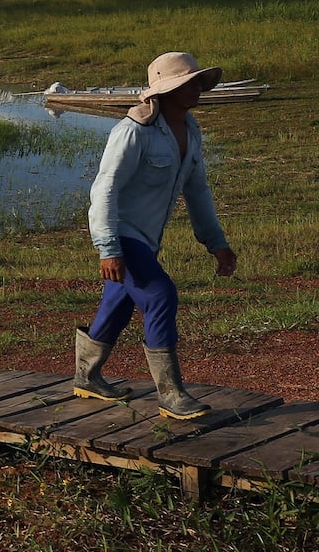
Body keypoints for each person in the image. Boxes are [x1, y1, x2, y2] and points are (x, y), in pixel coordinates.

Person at [73, 52, 238, 419]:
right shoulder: (133, 132)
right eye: (188, 82)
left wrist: (217, 243)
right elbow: (104, 190)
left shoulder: (190, 131)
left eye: (198, 81)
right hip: (122, 234)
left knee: (118, 301)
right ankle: (171, 394)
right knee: (160, 295)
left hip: (146, 239)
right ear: (166, 90)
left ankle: (86, 375)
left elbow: (197, 191)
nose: (197, 88)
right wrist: (108, 247)